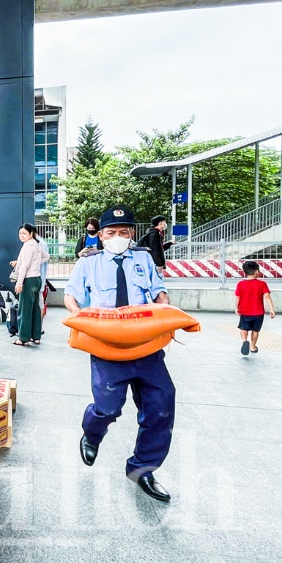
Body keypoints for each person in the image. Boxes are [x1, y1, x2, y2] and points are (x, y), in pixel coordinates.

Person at [65, 205, 174, 502]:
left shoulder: (143, 258)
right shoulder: (89, 262)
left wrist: (165, 310)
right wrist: (80, 319)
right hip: (107, 346)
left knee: (161, 404)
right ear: (100, 235)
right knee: (108, 407)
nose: (117, 237)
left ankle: (143, 469)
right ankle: (92, 432)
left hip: (145, 345)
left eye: (123, 232)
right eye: (111, 232)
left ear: (132, 234)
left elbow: (158, 291)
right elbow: (71, 295)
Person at [11, 223, 47, 346]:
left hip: (28, 280)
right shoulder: (36, 244)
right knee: (35, 308)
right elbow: (46, 257)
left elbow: (24, 266)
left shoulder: (27, 246)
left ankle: (23, 338)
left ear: (31, 234)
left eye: (24, 233)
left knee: (24, 309)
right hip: (37, 278)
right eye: (20, 233)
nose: (21, 235)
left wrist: (19, 283)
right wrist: (35, 265)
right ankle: (36, 336)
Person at [235, 260, 275, 356]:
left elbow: (237, 297)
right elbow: (267, 296)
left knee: (243, 328)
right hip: (258, 313)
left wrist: (236, 307)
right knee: (255, 331)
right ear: (257, 272)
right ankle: (253, 347)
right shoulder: (262, 284)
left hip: (244, 312)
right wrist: (272, 309)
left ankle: (245, 341)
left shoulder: (240, 284)